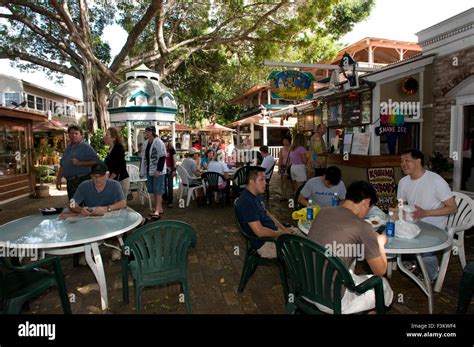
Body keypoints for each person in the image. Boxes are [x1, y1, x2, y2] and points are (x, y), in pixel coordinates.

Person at [307, 181, 393, 314]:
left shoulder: (323, 212)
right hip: (332, 300)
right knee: (383, 285)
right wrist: (380, 243)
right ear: (365, 202)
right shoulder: (362, 226)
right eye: (369, 207)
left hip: (307, 287)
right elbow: (380, 270)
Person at [397, 148, 457, 282]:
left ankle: (432, 275)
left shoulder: (435, 180)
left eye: (407, 160)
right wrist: (396, 213)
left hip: (434, 227)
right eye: (401, 161)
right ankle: (410, 262)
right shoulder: (403, 182)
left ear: (418, 161)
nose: (403, 164)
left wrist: (426, 213)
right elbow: (401, 204)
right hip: (414, 224)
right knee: (391, 235)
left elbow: (453, 208)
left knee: (424, 250)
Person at [235, 166, 295, 259]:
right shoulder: (247, 202)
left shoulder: (256, 195)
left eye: (265, 179)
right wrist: (282, 234)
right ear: (251, 182)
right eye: (261, 180)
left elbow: (268, 214)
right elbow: (260, 232)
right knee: (302, 250)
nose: (265, 183)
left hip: (273, 235)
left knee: (306, 237)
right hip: (265, 244)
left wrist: (283, 229)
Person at [56, 125, 99, 200]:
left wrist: (80, 163)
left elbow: (96, 161)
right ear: (68, 135)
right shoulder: (67, 148)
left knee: (83, 204)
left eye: (76, 133)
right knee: (72, 203)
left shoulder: (86, 147)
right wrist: (58, 179)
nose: (74, 135)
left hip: (82, 180)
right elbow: (62, 165)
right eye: (71, 133)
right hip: (70, 182)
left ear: (81, 135)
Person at [140, 126, 167, 219]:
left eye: (147, 131)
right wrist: (142, 170)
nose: (146, 133)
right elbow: (144, 157)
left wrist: (158, 170)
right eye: (146, 131)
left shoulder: (159, 142)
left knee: (158, 190)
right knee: (153, 190)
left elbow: (163, 156)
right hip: (150, 170)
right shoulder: (146, 143)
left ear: (152, 132)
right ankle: (159, 208)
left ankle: (157, 210)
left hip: (158, 171)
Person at [104, 127, 130, 197]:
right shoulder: (111, 149)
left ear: (113, 138)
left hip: (121, 180)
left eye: (107, 135)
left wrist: (110, 178)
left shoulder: (118, 148)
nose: (105, 137)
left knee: (120, 204)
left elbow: (120, 166)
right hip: (115, 180)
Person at [162, 135, 176, 208]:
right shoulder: (160, 149)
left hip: (170, 169)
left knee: (170, 186)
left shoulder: (171, 149)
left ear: (168, 142)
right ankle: (165, 198)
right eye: (163, 142)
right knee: (163, 186)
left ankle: (170, 201)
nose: (165, 143)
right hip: (162, 170)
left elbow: (174, 160)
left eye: (166, 142)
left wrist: (174, 170)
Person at [278, 136, 292, 202]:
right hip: (284, 166)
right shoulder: (282, 149)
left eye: (286, 140)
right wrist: (279, 168)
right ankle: (284, 195)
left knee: (292, 182)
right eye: (284, 141)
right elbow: (280, 159)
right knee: (283, 181)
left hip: (292, 166)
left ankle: (293, 194)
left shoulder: (293, 148)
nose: (285, 142)